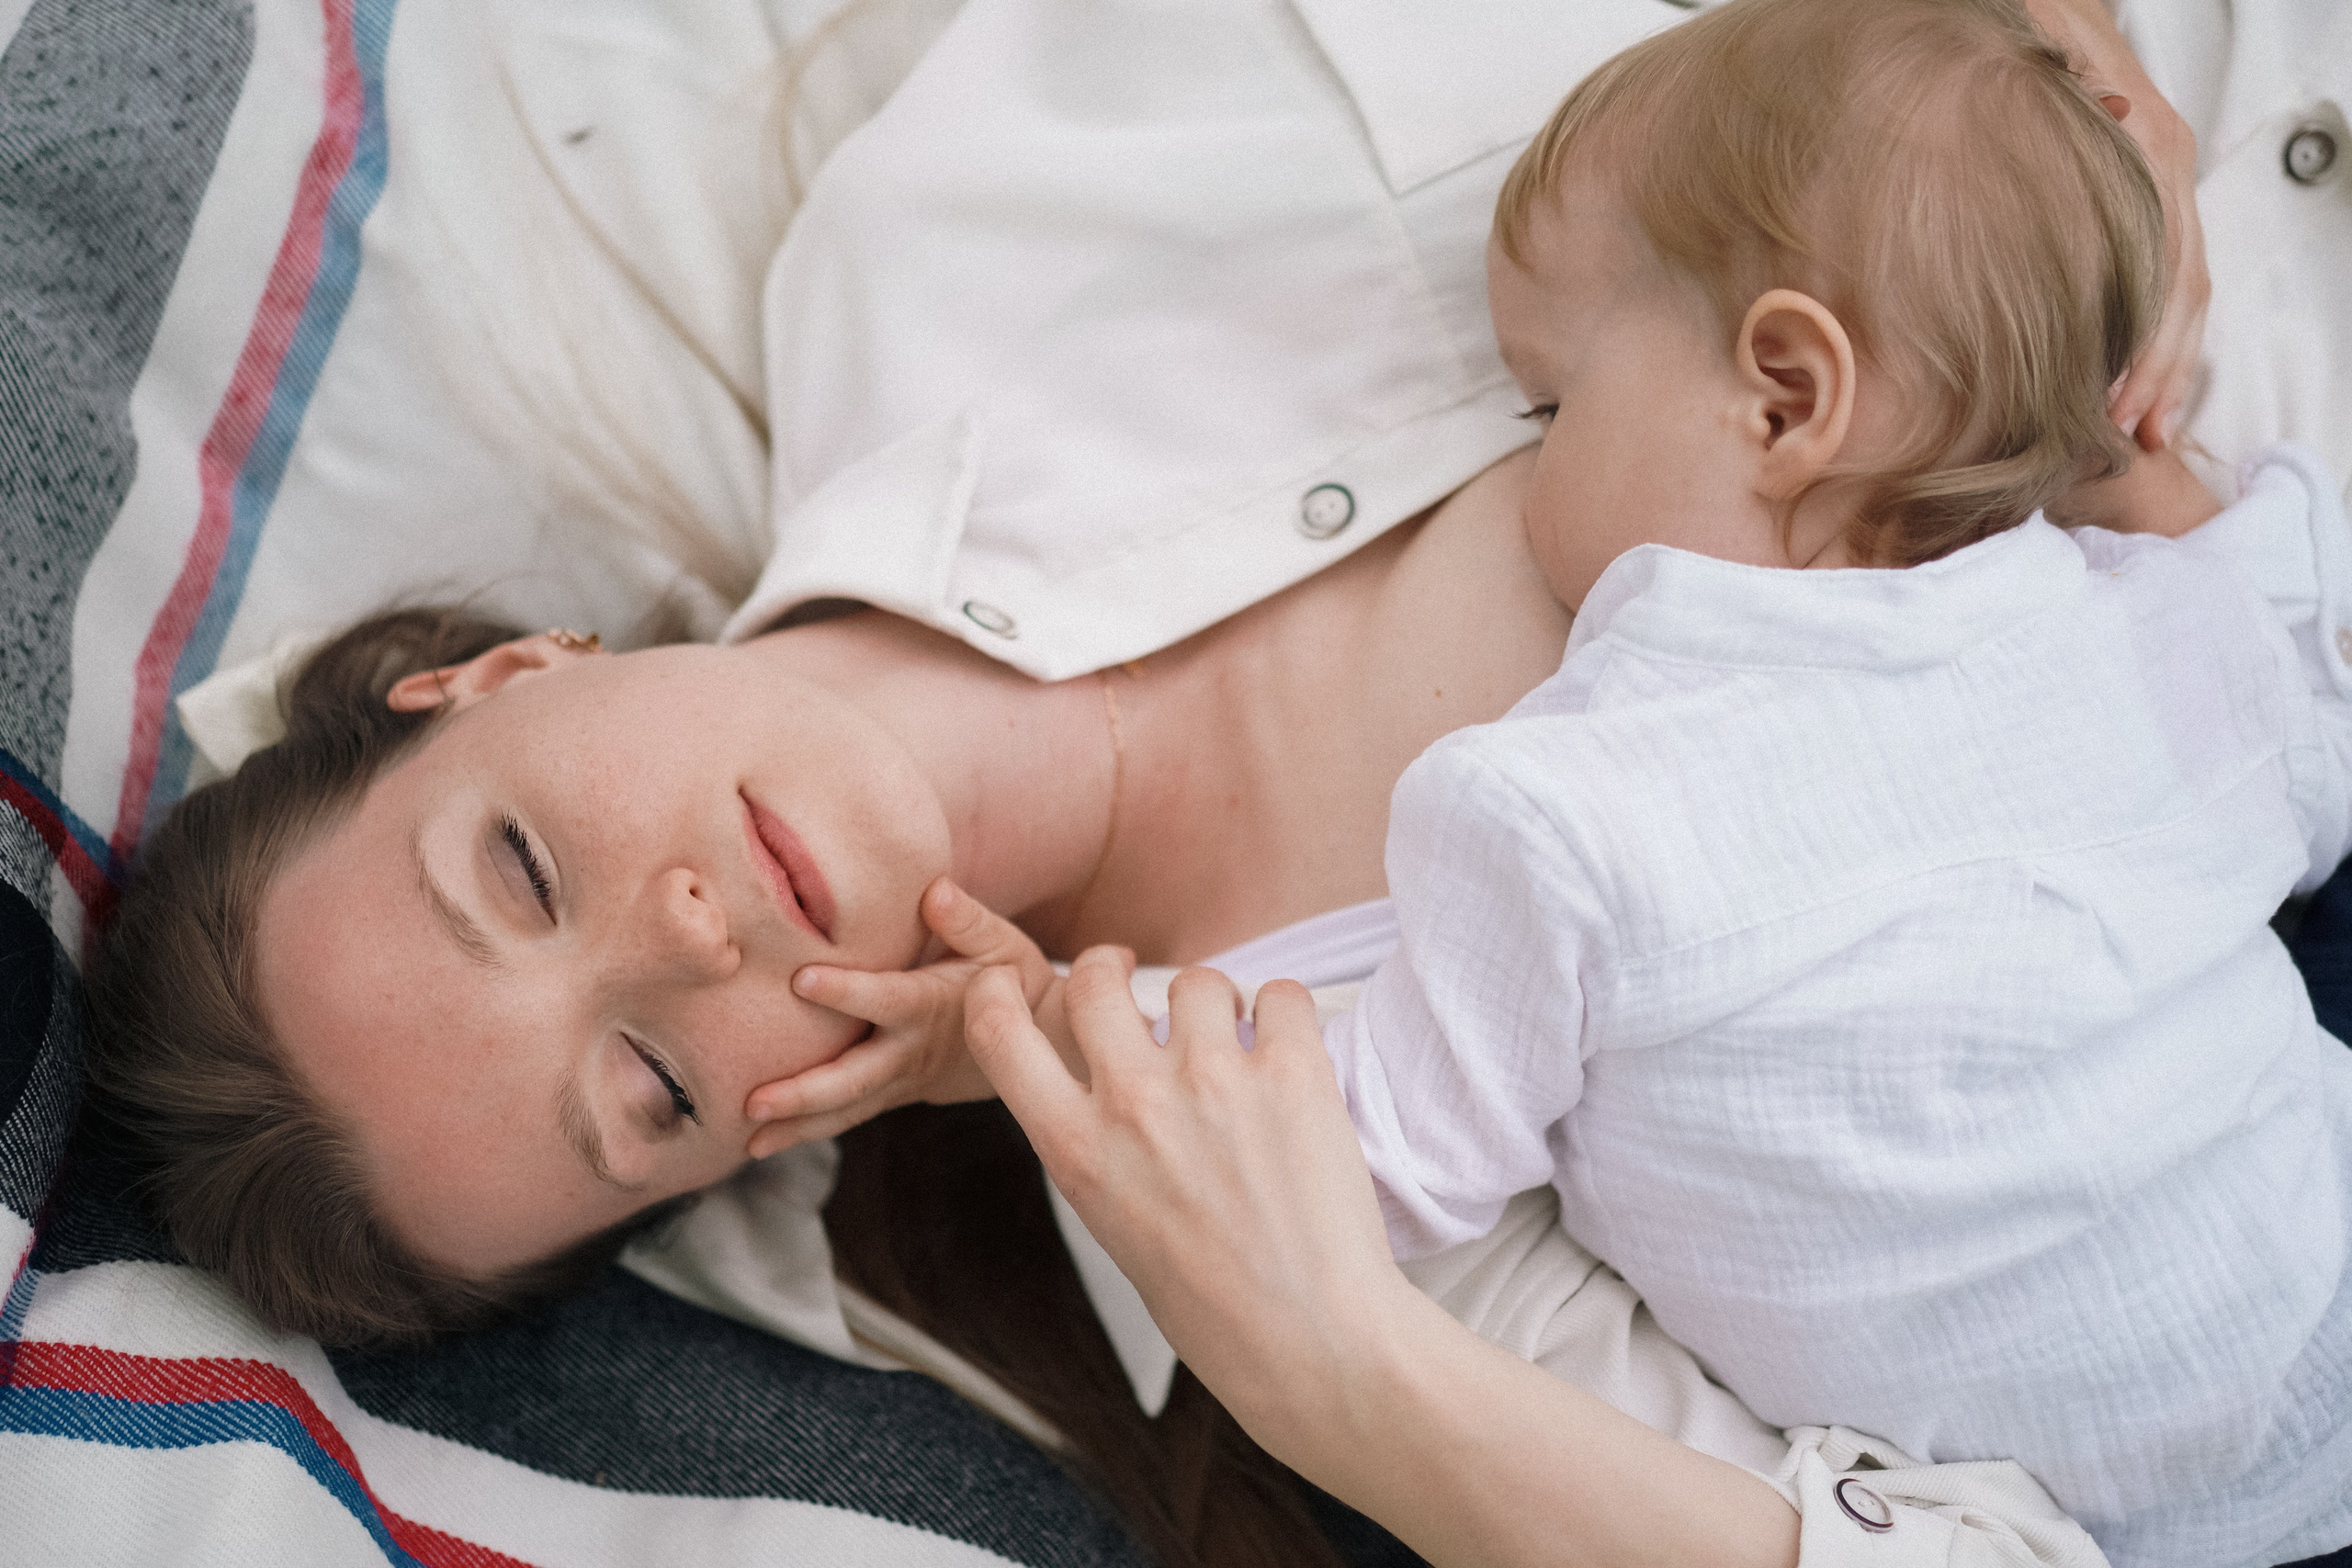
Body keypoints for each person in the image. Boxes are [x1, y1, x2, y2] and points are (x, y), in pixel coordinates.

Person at [78, 0, 2242, 1563]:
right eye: (646, 1084)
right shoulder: (1322, 1162)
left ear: (501, 674)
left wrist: (1997, 49)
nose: (686, 931)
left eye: (525, 867)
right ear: (735, 1162)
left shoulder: (962, 218)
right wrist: (1341, 1381)